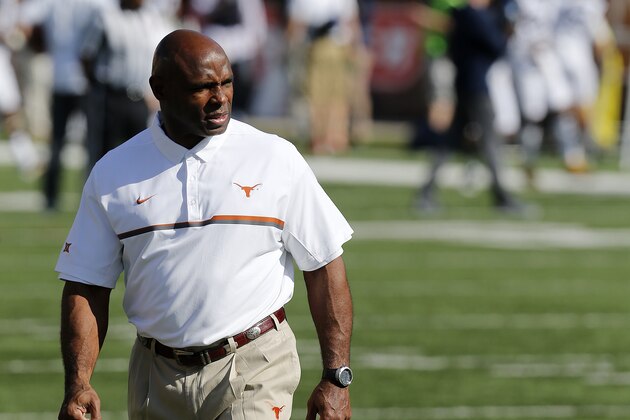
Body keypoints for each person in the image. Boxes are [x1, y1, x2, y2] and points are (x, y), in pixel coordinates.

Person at [55, 29, 354, 420]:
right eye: (203, 87)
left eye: (227, 82)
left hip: (254, 363)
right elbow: (86, 285)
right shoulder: (113, 172)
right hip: (155, 373)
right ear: (159, 88)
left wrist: (336, 376)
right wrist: (78, 383)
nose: (220, 98)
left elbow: (324, 265)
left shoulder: (275, 158)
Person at [416, 0, 522, 213]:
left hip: (464, 84)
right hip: (477, 87)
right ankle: (502, 196)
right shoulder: (475, 16)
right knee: (491, 144)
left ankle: (427, 192)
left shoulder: (460, 15)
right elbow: (497, 46)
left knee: (448, 144)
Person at [80, 0, 175, 173]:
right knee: (104, 156)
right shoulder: (105, 17)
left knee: (141, 155)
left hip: (140, 98)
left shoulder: (152, 17)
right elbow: (87, 55)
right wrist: (95, 88)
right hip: (112, 97)